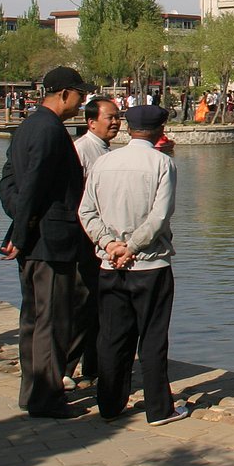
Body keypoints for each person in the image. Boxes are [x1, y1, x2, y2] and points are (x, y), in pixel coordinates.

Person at [78, 103, 187, 426]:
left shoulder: (104, 162)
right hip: (150, 265)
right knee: (152, 337)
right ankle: (159, 408)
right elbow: (159, 215)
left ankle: (110, 404)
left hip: (110, 264)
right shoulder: (162, 163)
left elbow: (86, 211)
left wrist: (109, 244)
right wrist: (133, 246)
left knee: (112, 337)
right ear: (160, 131)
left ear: (128, 128)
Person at [0, 67, 93, 419]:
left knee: (32, 319)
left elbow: (9, 183)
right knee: (52, 321)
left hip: (34, 238)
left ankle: (31, 392)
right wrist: (22, 232)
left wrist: (19, 224)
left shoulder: (27, 126)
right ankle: (47, 398)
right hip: (50, 241)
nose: (81, 102)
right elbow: (34, 184)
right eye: (79, 95)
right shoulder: (50, 130)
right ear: (64, 93)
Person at [66, 97, 121, 387]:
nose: (115, 122)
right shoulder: (82, 150)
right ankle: (66, 367)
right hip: (87, 239)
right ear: (91, 122)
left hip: (101, 239)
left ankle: (93, 366)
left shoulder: (105, 149)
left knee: (99, 303)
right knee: (83, 302)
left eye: (117, 117)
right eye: (110, 117)